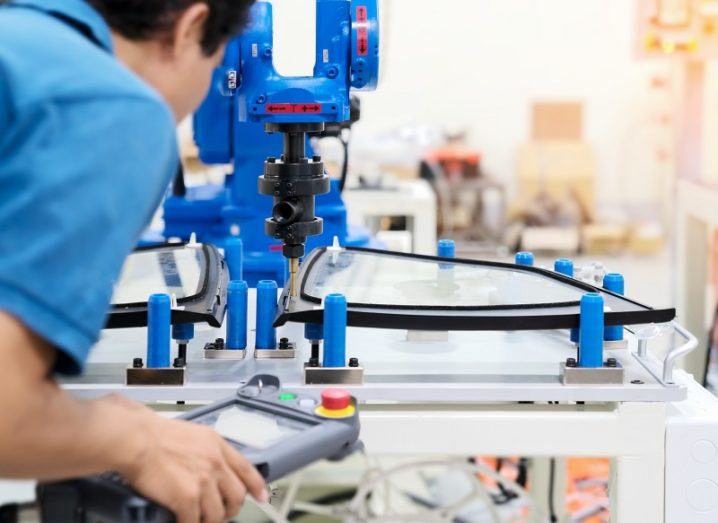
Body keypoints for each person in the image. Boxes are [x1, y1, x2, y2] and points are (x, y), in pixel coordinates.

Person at [0, 1, 266, 522]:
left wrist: (92, 421)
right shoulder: (112, 104)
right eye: (213, 69)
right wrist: (137, 441)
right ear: (191, 28)